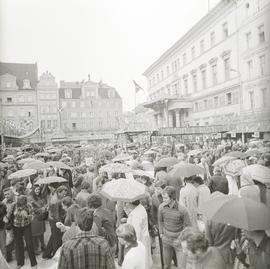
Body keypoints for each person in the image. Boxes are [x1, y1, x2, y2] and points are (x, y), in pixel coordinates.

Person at [158, 186, 191, 269]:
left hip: (179, 241)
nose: (163, 200)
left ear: (172, 197)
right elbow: (160, 221)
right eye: (162, 197)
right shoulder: (161, 207)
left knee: (182, 267)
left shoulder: (183, 210)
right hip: (166, 240)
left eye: (165, 198)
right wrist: (161, 233)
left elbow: (188, 226)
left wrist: (181, 238)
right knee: (166, 266)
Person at [124, 199, 152, 268]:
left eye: (127, 202)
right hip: (143, 240)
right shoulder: (140, 208)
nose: (126, 204)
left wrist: (131, 248)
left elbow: (136, 234)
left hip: (138, 243)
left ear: (130, 203)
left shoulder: (137, 215)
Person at [43, 185, 67, 259]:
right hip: (55, 221)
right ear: (59, 192)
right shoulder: (56, 201)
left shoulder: (54, 196)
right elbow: (56, 215)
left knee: (53, 237)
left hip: (52, 219)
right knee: (56, 239)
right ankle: (56, 255)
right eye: (63, 193)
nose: (64, 195)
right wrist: (61, 224)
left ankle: (46, 254)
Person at [12, 195, 37, 269]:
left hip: (26, 226)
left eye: (23, 204)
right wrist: (18, 213)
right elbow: (11, 214)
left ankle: (33, 263)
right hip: (16, 226)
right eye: (20, 204)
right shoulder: (14, 205)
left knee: (29, 243)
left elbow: (32, 217)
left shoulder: (29, 205)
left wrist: (27, 216)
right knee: (19, 245)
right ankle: (20, 263)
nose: (22, 206)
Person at [29, 184, 47, 255]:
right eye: (36, 190)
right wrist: (40, 209)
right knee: (35, 234)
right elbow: (31, 209)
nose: (38, 191)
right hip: (35, 218)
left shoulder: (41, 196)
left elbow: (44, 203)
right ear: (33, 190)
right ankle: (35, 248)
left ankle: (43, 245)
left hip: (41, 217)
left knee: (41, 233)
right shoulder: (30, 198)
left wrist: (45, 207)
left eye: (39, 189)